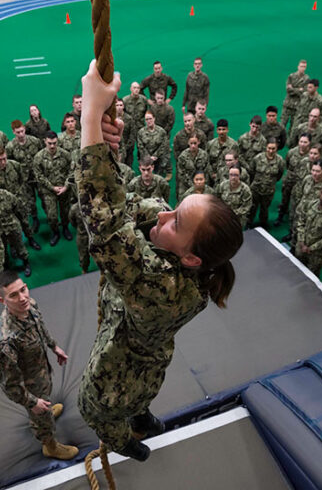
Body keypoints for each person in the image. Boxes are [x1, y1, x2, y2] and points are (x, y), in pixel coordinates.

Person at [75, 60, 244, 461]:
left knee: (97, 409)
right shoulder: (182, 251)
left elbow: (106, 223)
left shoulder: (164, 289)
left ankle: (126, 442)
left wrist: (89, 119)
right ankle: (142, 416)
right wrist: (104, 142)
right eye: (176, 207)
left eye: (175, 221)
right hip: (148, 363)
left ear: (189, 259)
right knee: (138, 396)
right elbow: (131, 204)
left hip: (118, 369)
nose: (164, 215)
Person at [0, 271, 77, 460]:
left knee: (45, 400)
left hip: (41, 370)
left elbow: (40, 326)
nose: (22, 298)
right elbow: (9, 384)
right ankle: (50, 445)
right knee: (40, 413)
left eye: (23, 289)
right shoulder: (4, 341)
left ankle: (45, 412)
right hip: (29, 388)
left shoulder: (29, 305)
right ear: (2, 301)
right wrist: (32, 402)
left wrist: (53, 346)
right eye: (13, 295)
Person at [0, 175, 36, 277]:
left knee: (20, 247)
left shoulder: (8, 196)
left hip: (12, 227)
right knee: (1, 252)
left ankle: (26, 264)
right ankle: (7, 268)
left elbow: (17, 210)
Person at [33, 131, 73, 246]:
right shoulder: (39, 157)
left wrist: (66, 186)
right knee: (52, 216)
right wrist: (52, 187)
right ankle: (56, 232)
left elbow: (71, 171)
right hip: (49, 190)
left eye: (54, 143)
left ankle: (65, 228)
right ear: (44, 141)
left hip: (64, 189)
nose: (52, 146)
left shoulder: (65, 155)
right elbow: (39, 176)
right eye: (49, 143)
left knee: (65, 212)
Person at [5, 120, 43, 231]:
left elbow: (42, 155)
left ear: (25, 129)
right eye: (18, 132)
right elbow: (11, 164)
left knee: (44, 197)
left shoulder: (35, 141)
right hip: (24, 179)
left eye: (22, 131)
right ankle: (35, 218)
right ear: (13, 132)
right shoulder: (10, 147)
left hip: (38, 176)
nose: (21, 134)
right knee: (30, 201)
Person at [274, 133, 311, 227]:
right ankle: (280, 217)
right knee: (284, 200)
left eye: (305, 142)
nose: (302, 144)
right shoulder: (292, 152)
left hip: (301, 183)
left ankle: (294, 224)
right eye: (301, 141)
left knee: (297, 204)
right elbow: (286, 165)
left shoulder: (311, 155)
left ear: (309, 143)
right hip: (289, 181)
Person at [248, 138, 284, 229]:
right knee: (252, 208)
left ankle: (263, 224)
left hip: (269, 191)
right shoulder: (258, 158)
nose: (271, 151)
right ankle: (249, 223)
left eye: (273, 148)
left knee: (264, 209)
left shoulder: (280, 161)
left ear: (277, 149)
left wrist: (271, 183)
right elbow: (252, 171)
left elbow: (279, 174)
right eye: (269, 148)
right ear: (266, 147)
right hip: (256, 189)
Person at [137, 110, 171, 178]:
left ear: (154, 119)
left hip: (158, 158)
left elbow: (163, 146)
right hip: (145, 158)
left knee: (158, 177)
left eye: (150, 119)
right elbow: (140, 146)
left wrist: (155, 156)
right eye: (146, 119)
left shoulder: (161, 131)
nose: (148, 121)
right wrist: (148, 157)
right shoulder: (141, 132)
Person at [281, 60, 309, 135]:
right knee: (282, 123)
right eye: (301, 66)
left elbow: (304, 92)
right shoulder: (291, 76)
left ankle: (289, 142)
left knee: (293, 126)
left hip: (297, 106)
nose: (302, 68)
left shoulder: (307, 79)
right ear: (298, 67)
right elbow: (288, 90)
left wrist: (293, 88)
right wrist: (299, 89)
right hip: (288, 104)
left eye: (304, 67)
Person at [115, 97, 136, 167]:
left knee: (127, 167)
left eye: (121, 105)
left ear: (123, 106)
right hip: (115, 147)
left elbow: (132, 134)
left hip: (128, 149)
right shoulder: (111, 119)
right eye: (117, 105)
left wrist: (126, 148)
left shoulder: (129, 119)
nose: (119, 107)